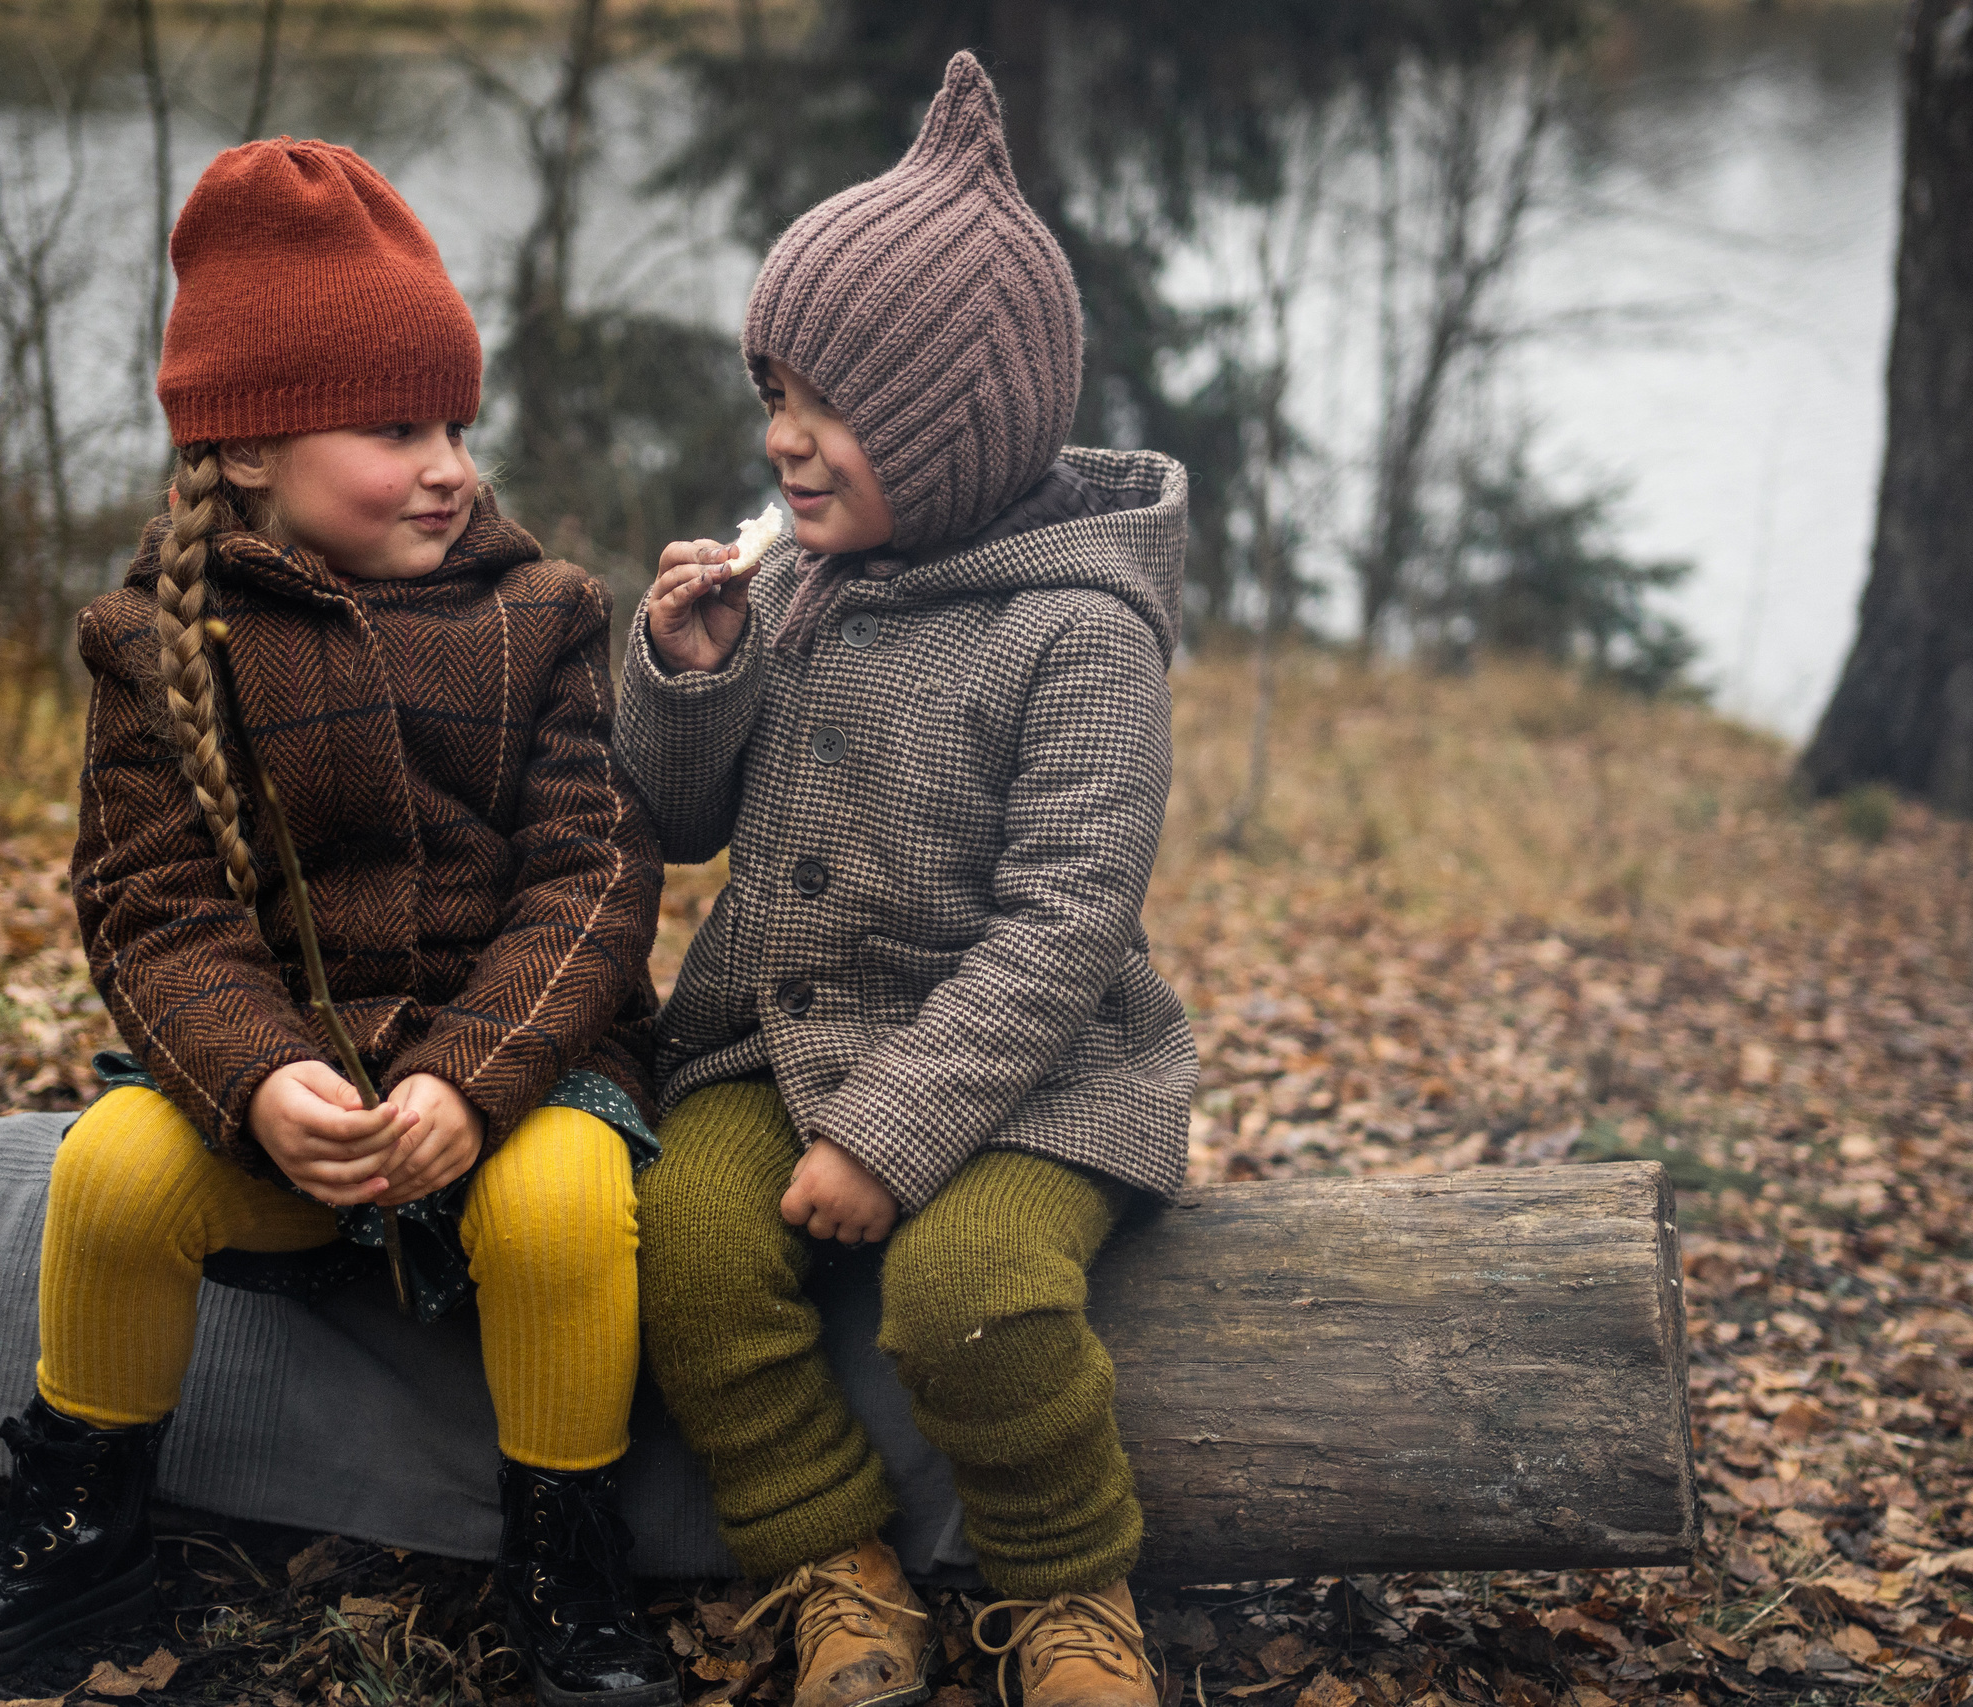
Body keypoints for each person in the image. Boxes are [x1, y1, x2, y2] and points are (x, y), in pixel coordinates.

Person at [0, 139, 680, 1707]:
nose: (449, 462)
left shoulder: (545, 619)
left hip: (513, 1083)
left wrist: (468, 1081)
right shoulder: (152, 650)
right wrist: (258, 1084)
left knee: (565, 1203)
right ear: (244, 447)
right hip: (299, 1104)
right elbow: (150, 907)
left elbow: (592, 884)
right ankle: (80, 1528)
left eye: (458, 422)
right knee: (109, 1167)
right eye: (396, 427)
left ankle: (568, 1566)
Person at [617, 52, 1196, 1707]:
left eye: (831, 407)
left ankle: (1076, 1593)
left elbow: (1065, 925)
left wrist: (894, 1134)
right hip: (780, 1037)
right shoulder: (803, 587)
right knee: (695, 1251)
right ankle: (830, 1562)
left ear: (957, 432)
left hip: (1032, 1076)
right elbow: (674, 824)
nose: (786, 441)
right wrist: (689, 676)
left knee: (970, 1295)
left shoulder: (1079, 632)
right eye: (773, 395)